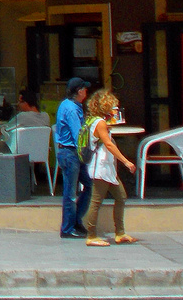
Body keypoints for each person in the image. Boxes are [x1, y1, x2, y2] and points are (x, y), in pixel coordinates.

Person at [82, 89, 138, 247]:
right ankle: (91, 236)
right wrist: (126, 162)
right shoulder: (99, 123)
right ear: (105, 106)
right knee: (96, 201)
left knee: (121, 196)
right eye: (113, 105)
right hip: (100, 167)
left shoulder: (96, 121)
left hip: (108, 168)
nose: (115, 108)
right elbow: (108, 144)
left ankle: (120, 232)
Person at [54, 77, 91, 239]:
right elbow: (79, 135)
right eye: (84, 89)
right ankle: (67, 228)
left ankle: (76, 220)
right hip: (70, 153)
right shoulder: (71, 109)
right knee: (70, 192)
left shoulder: (72, 106)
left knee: (89, 185)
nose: (86, 92)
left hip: (71, 153)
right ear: (79, 91)